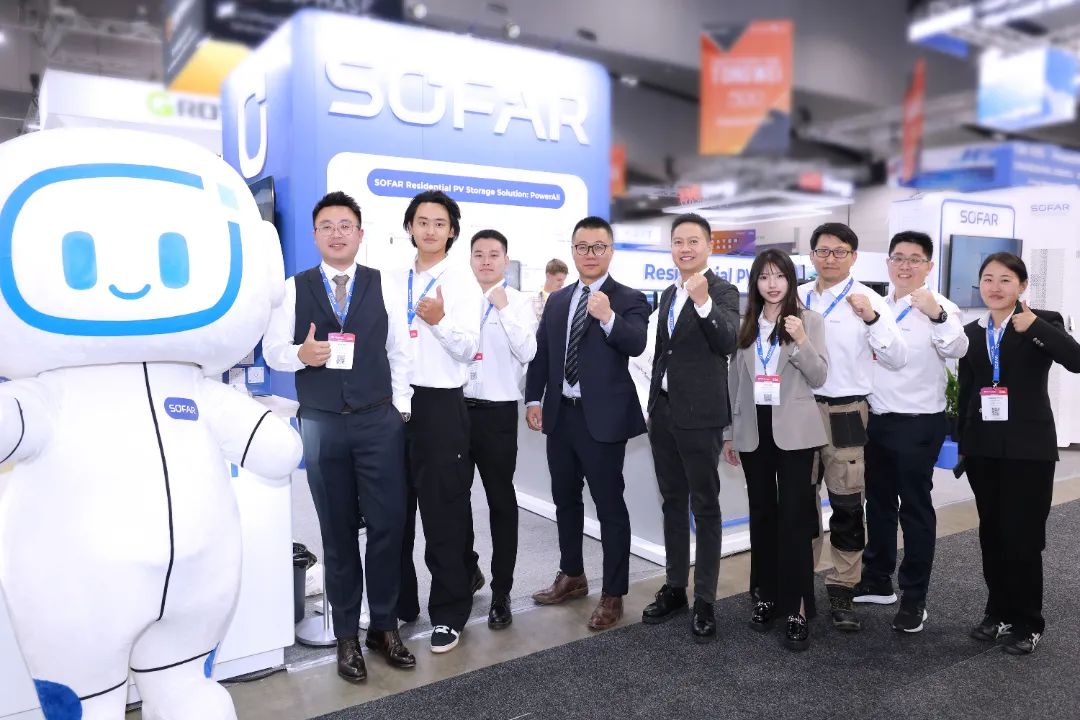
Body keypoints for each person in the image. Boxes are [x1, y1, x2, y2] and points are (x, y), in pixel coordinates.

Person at [263, 191, 415, 682]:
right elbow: (271, 350)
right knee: (337, 531)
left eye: (345, 225)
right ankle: (347, 635)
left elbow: (399, 351)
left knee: (389, 527)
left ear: (360, 233)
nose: (336, 233)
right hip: (322, 422)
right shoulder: (294, 289)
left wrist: (400, 409)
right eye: (326, 226)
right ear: (315, 235)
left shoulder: (384, 284)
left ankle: (384, 626)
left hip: (378, 421)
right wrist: (299, 356)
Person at [525, 216, 650, 631]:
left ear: (610, 251)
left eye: (598, 247)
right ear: (573, 251)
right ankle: (572, 575)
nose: (590, 254)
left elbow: (636, 343)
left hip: (603, 420)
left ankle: (613, 592)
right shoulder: (558, 300)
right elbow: (543, 353)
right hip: (561, 415)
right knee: (565, 499)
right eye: (582, 247)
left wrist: (609, 316)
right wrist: (533, 398)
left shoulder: (629, 298)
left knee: (609, 505)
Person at [957, 252, 1080, 655]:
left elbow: (1076, 360)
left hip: (1029, 450)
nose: (995, 287)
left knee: (1022, 537)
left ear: (1022, 286)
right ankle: (998, 613)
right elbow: (967, 390)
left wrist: (1036, 327)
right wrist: (963, 443)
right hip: (984, 450)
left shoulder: (1043, 321)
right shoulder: (972, 332)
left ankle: (1028, 621)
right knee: (992, 534)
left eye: (1005, 279)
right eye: (988, 279)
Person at [798, 222, 907, 631]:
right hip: (799, 412)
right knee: (800, 503)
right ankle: (799, 584)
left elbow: (896, 357)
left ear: (853, 257)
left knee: (846, 505)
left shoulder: (869, 299)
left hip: (846, 411)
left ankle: (843, 587)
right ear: (812, 255)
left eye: (839, 251)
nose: (830, 258)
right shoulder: (796, 297)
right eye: (823, 251)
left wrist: (872, 318)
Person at [857, 231, 968, 633]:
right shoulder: (875, 305)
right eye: (898, 258)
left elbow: (957, 348)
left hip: (919, 421)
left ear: (929, 266)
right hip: (876, 418)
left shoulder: (942, 307)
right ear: (888, 263)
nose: (905, 265)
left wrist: (936, 314)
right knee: (878, 503)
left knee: (915, 509)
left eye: (914, 259)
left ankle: (914, 598)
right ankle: (877, 578)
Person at [390, 190, 485, 654]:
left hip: (441, 404)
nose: (430, 230)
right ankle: (400, 604)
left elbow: (468, 349)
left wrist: (440, 320)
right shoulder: (393, 278)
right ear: (410, 226)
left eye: (440, 223)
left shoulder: (462, 281)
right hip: (394, 403)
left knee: (444, 511)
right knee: (394, 512)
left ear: (452, 231)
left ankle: (449, 612)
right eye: (422, 221)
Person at [637, 213, 739, 642]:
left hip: (701, 418)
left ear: (709, 246)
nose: (685, 248)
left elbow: (728, 340)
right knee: (672, 504)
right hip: (664, 414)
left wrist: (703, 303)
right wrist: (651, 405)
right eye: (678, 241)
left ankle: (705, 600)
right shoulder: (667, 293)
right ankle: (676, 587)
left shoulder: (723, 291)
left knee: (706, 507)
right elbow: (664, 351)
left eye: (693, 241)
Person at [723, 249, 829, 651]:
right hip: (754, 430)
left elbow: (819, 376)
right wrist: (729, 433)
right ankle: (765, 595)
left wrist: (800, 340)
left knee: (796, 519)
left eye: (780, 276)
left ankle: (798, 606)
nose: (772, 284)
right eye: (764, 276)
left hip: (795, 431)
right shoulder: (747, 324)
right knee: (763, 515)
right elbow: (735, 382)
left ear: (790, 280)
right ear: (755, 282)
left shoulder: (809, 321)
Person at [464, 229, 538, 629]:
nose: (486, 261)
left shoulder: (520, 302)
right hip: (456, 411)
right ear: (470, 259)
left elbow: (528, 352)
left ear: (506, 261)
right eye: (479, 254)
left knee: (500, 503)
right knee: (453, 502)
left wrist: (505, 309)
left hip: (497, 414)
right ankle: (468, 571)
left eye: (494, 255)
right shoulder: (458, 298)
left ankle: (502, 591)